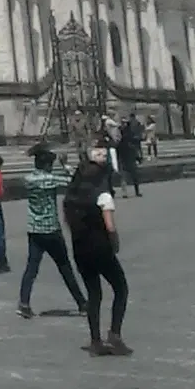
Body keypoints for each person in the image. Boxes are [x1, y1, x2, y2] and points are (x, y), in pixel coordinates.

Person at [64, 150, 131, 356]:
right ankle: (115, 334)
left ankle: (95, 340)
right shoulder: (103, 195)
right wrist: (115, 243)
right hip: (100, 247)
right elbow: (109, 226)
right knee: (121, 288)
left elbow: (69, 223)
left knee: (94, 294)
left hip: (79, 248)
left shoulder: (71, 197)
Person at [17, 146, 87, 319]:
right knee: (65, 267)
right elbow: (74, 182)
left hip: (34, 229)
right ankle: (82, 303)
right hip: (51, 229)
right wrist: (66, 166)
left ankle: (24, 302)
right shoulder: (51, 179)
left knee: (31, 268)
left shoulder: (28, 179)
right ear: (47, 164)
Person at [119, 114, 143, 197]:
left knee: (134, 176)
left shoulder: (130, 134)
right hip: (124, 157)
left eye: (125, 123)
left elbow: (135, 146)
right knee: (124, 177)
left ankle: (136, 191)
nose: (124, 124)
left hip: (130, 157)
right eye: (123, 123)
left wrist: (137, 157)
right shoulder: (120, 134)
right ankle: (125, 193)